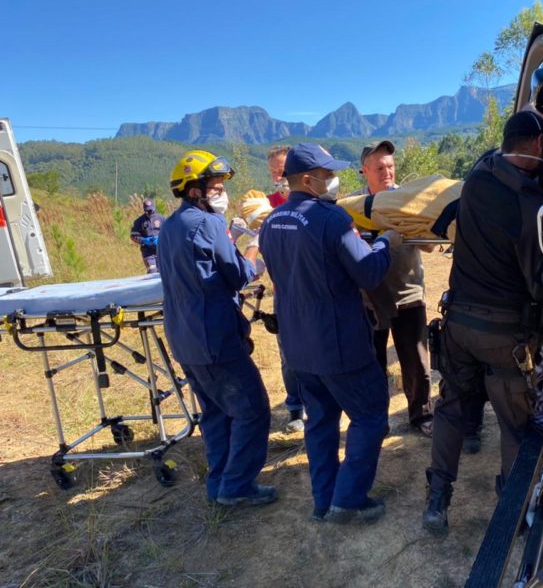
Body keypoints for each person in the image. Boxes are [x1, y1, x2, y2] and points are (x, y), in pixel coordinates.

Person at [422, 111, 543, 535]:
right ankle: (513, 512)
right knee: (516, 424)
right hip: (503, 335)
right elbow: (538, 285)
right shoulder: (529, 205)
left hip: (457, 322)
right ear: (535, 145)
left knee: (452, 409)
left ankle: (436, 502)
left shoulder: (477, 181)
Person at [260, 143, 402, 524]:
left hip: (298, 345)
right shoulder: (332, 219)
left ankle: (323, 500)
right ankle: (349, 499)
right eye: (327, 175)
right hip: (339, 343)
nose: (333, 181)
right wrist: (387, 242)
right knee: (371, 415)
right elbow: (369, 272)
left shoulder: (272, 222)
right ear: (307, 180)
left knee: (320, 421)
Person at [158, 150, 276, 507]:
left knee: (216, 412)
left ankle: (219, 482)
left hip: (185, 337)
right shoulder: (207, 225)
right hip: (215, 338)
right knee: (252, 409)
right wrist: (253, 245)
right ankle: (237, 486)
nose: (221, 193)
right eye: (216, 186)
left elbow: (203, 269)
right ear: (195, 191)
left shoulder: (169, 227)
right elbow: (240, 275)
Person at [359, 140, 434, 437]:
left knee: (416, 362)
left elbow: (429, 247)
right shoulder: (354, 205)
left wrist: (408, 228)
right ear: (365, 171)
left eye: (390, 165)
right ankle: (378, 420)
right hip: (369, 299)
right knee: (372, 363)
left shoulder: (409, 200)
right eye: (379, 167)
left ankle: (421, 415)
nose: (387, 172)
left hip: (408, 294)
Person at [266, 144, 305, 432]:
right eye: (273, 172)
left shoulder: (312, 202)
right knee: (288, 355)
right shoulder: (266, 206)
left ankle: (318, 404)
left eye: (281, 170)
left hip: (313, 291)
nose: (278, 177)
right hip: (283, 294)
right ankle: (294, 409)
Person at [129, 198, 165, 273]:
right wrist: (144, 240)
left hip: (161, 250)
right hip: (147, 251)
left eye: (150, 210)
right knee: (152, 270)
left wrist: (161, 239)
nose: (149, 212)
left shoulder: (162, 219)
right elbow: (133, 236)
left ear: (154, 207)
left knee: (162, 272)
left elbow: (170, 233)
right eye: (147, 210)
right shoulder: (139, 221)